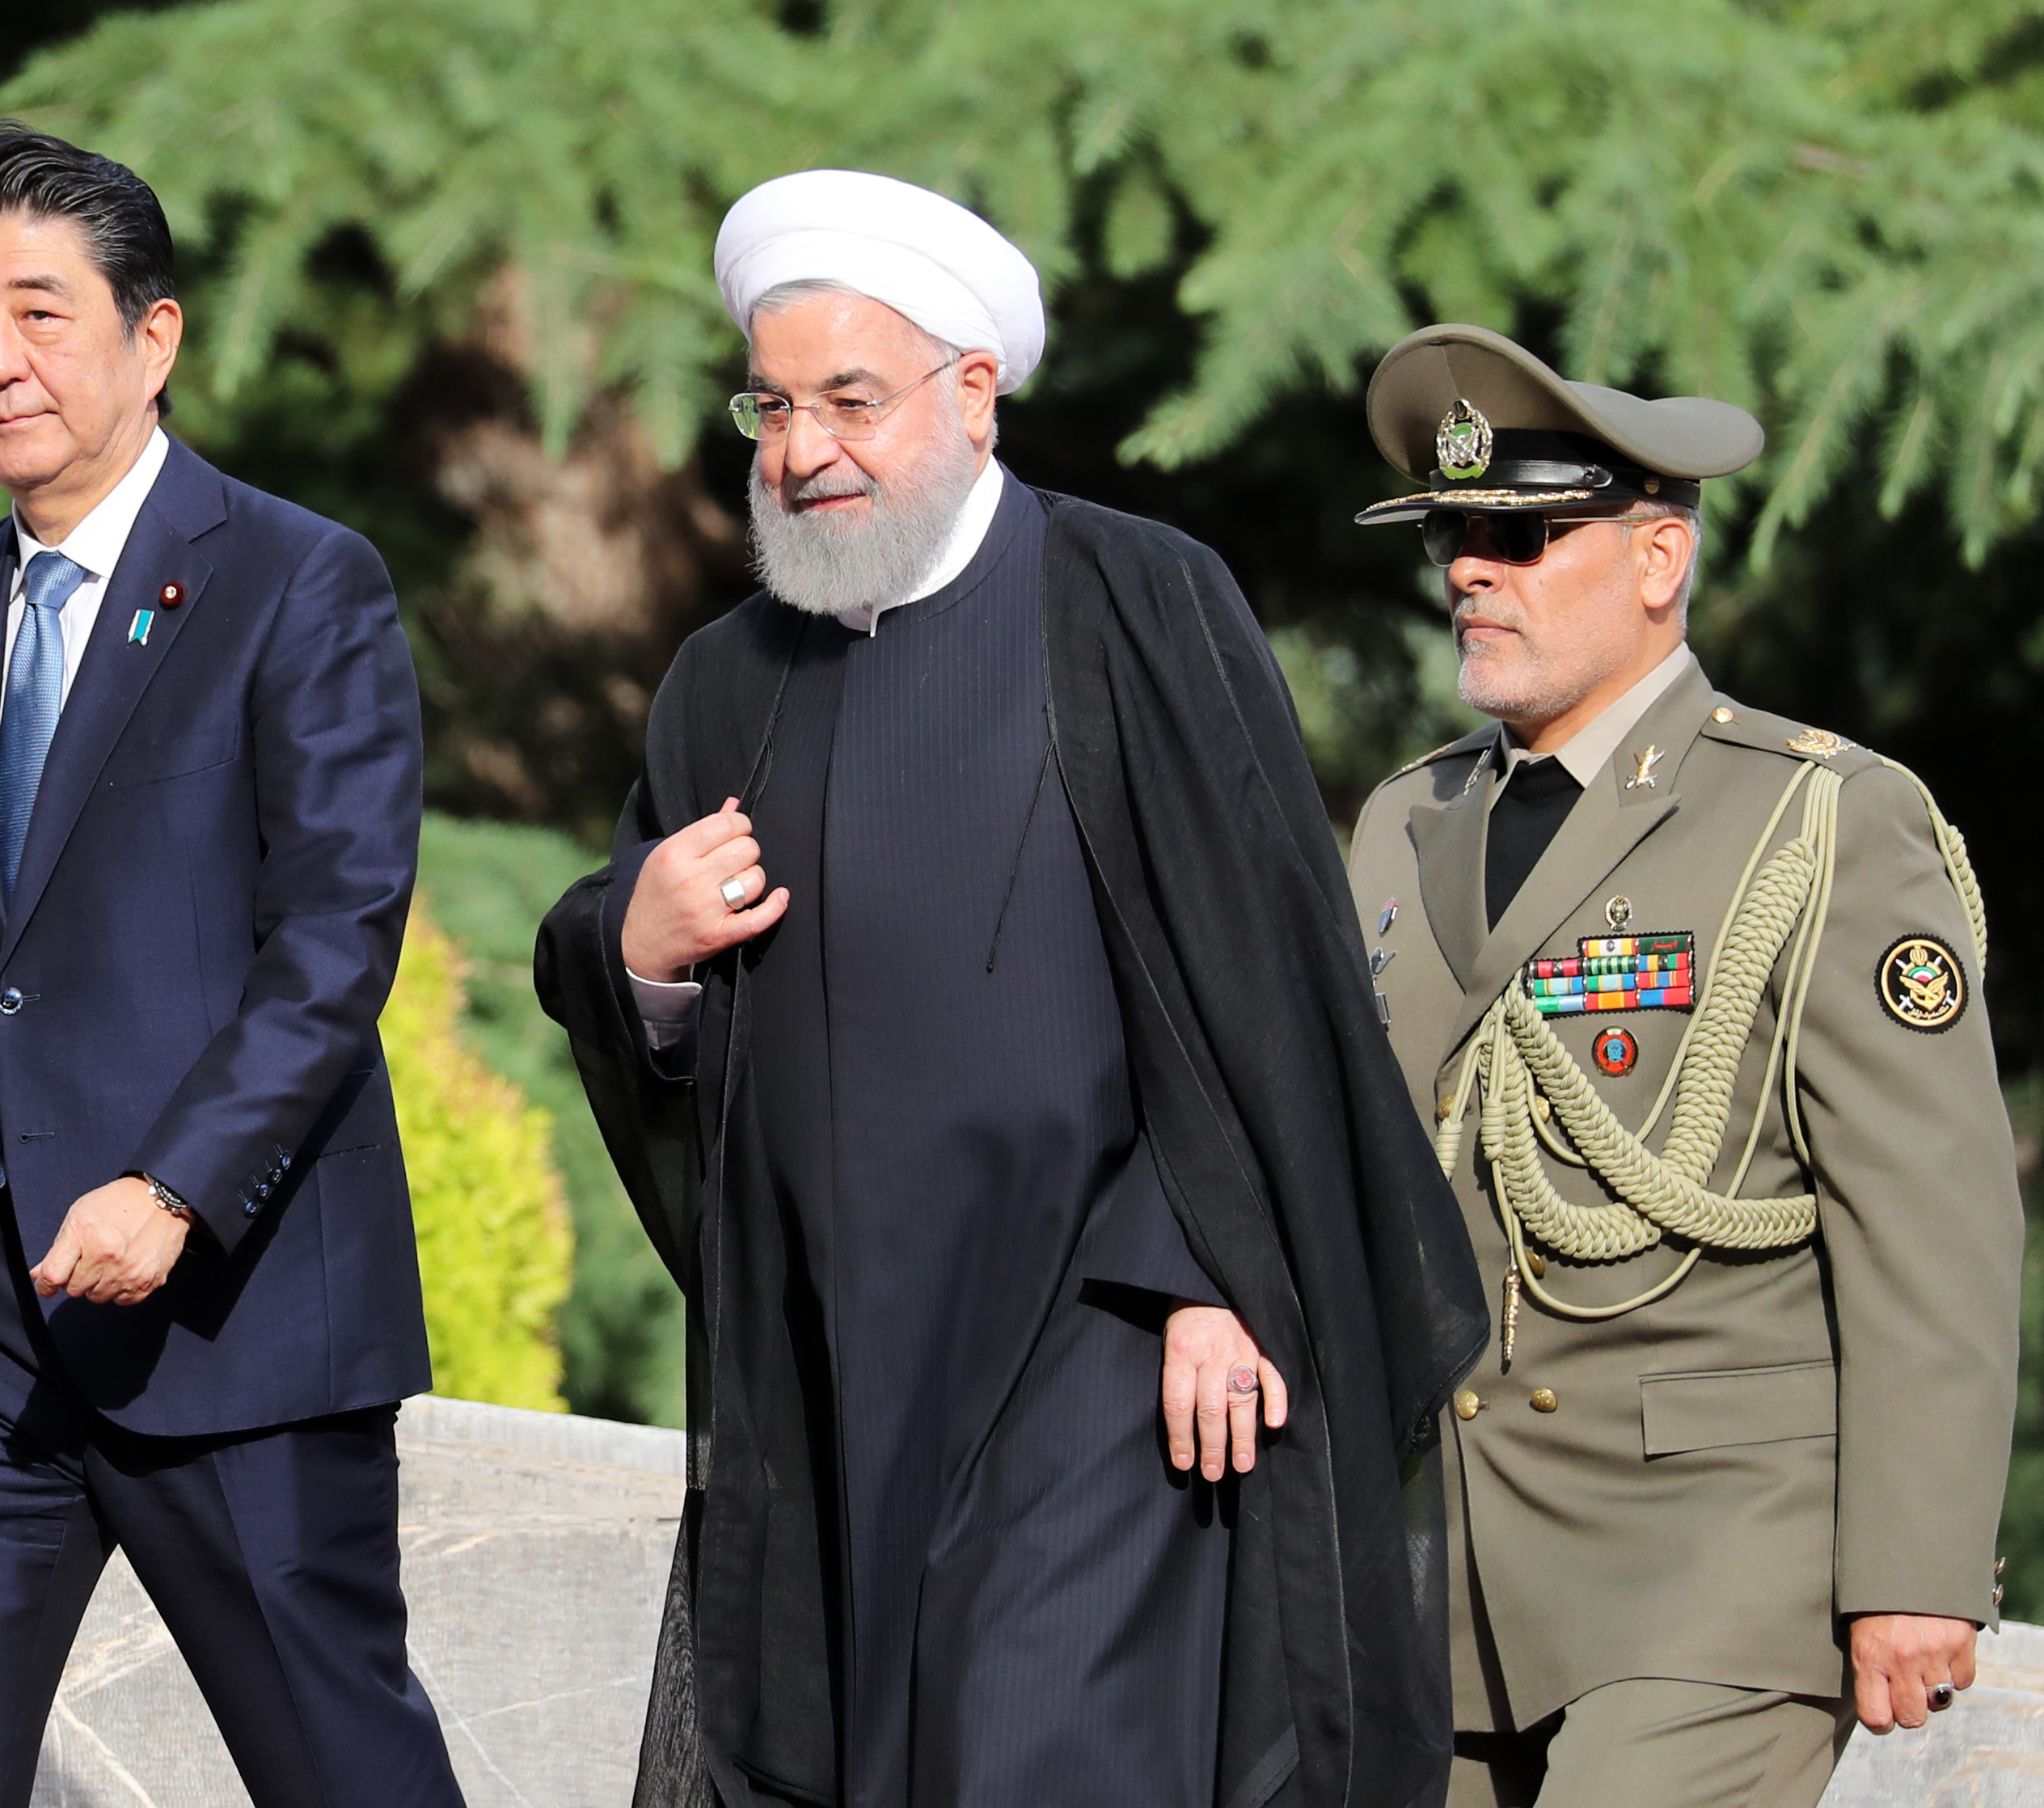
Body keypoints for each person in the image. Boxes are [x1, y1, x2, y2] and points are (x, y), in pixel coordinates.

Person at [534, 169, 1487, 1808]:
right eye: (773, 404)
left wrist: (1214, 1273)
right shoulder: (724, 679)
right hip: (827, 1378)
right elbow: (644, 1010)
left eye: (851, 399)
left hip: (1100, 1355)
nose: (800, 449)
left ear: (974, 392)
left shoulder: (1129, 600)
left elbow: (1261, 986)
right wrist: (637, 944)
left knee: (1035, 1751)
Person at [1344, 323, 2023, 1808]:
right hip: (1438, 1568)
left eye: (1521, 536)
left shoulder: (1819, 819)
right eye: (1456, 533)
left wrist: (1912, 1570)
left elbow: (1931, 1221)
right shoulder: (1404, 823)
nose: (1470, 569)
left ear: (1657, 563)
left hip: (1713, 1565)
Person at [0, 124, 462, 1808]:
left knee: (344, 1765)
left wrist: (179, 1189)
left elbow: (337, 936)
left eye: (40, 311)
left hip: (233, 1310)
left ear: (155, 335)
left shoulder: (298, 580)